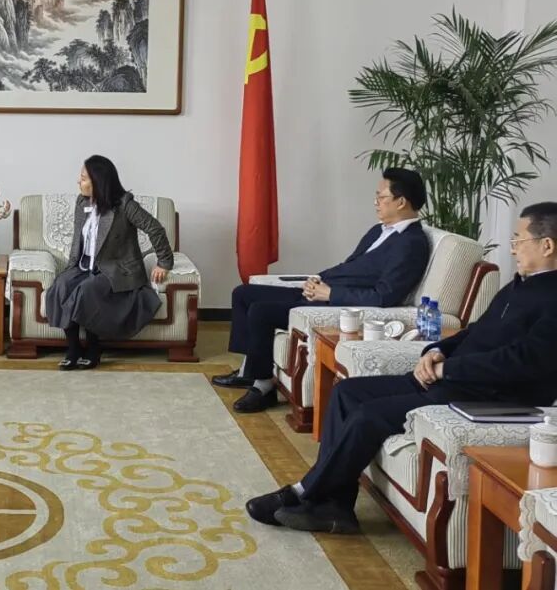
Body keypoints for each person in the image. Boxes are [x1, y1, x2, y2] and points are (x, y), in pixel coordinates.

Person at [246, 201, 557, 535]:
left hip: (491, 397)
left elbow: (523, 361)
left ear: (547, 245)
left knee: (369, 415)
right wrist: (436, 350)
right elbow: (475, 331)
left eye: (518, 240)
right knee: (347, 392)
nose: (512, 249)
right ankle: (335, 506)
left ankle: (304, 492)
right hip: (454, 379)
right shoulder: (520, 285)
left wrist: (448, 369)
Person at [216, 167, 431, 414]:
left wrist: (329, 294)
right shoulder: (378, 231)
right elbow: (349, 267)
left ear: (401, 202)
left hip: (336, 304)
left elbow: (384, 296)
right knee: (243, 294)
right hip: (324, 292)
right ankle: (249, 369)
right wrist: (317, 280)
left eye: (381, 197)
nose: (375, 202)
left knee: (261, 311)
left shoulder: (410, 244)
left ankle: (263, 387)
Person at [45, 155, 173, 370]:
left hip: (116, 269)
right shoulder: (82, 202)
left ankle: (94, 348)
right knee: (61, 285)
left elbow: (155, 228)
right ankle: (73, 348)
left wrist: (164, 262)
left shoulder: (125, 205)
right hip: (85, 265)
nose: (78, 181)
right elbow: (77, 240)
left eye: (83, 178)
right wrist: (70, 269)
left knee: (88, 290)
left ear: (98, 181)